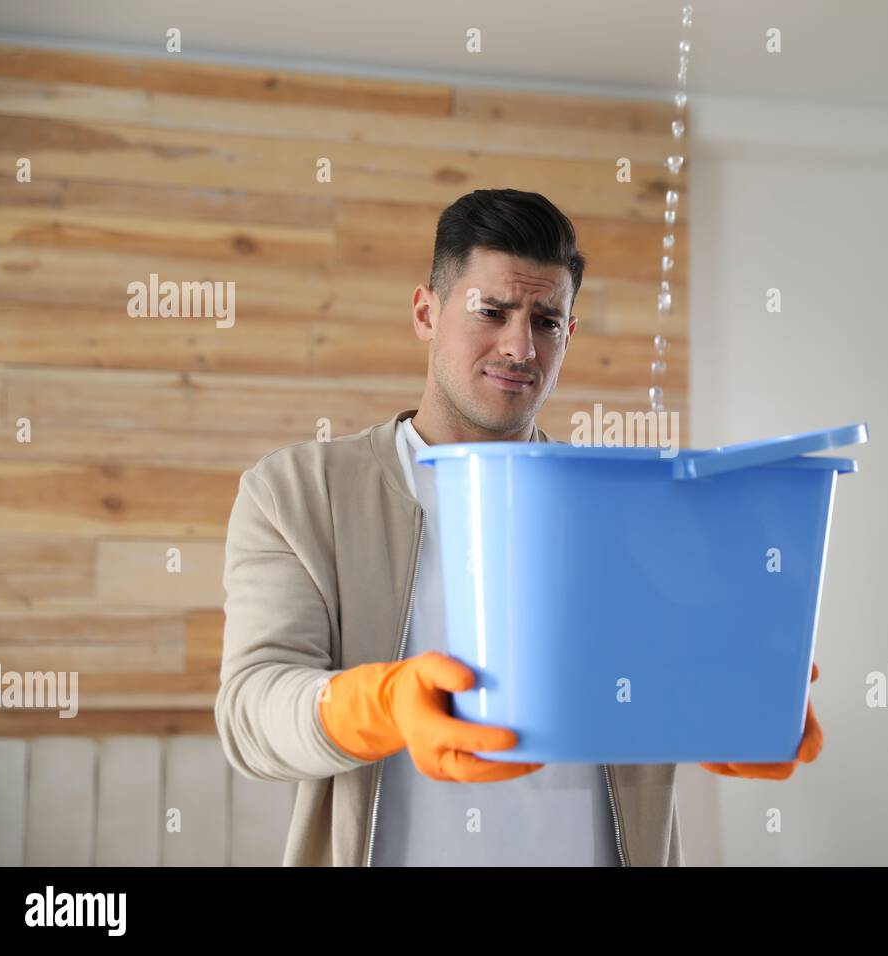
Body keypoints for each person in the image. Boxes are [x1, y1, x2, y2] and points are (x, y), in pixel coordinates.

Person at [214, 188, 823, 867]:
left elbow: (664, 685)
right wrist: (381, 704)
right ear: (426, 312)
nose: (519, 346)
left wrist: (736, 707)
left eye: (546, 321)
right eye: (492, 311)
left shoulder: (627, 505)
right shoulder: (300, 494)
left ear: (569, 334)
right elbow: (251, 714)